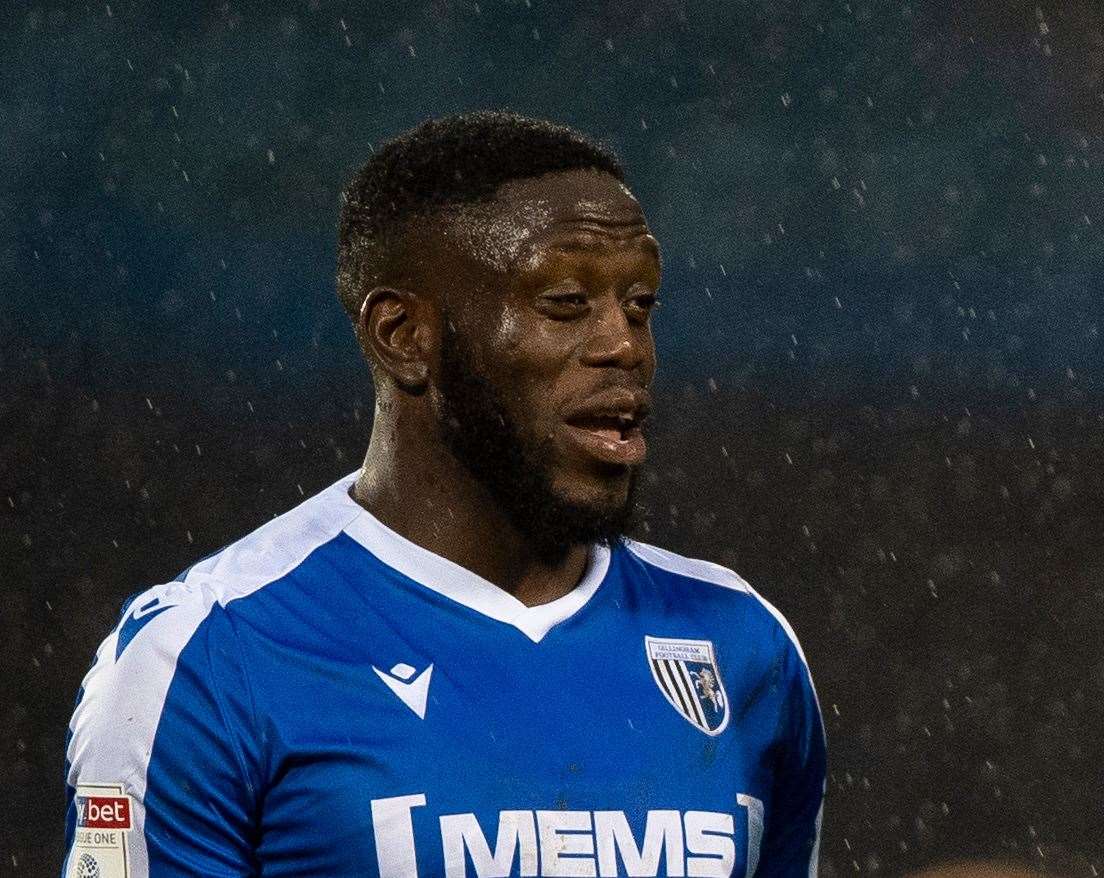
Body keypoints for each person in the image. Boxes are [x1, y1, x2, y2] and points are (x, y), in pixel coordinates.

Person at [61, 110, 826, 878]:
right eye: (564, 302)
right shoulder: (205, 657)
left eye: (640, 304)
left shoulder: (742, 647)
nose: (623, 345)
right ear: (403, 335)